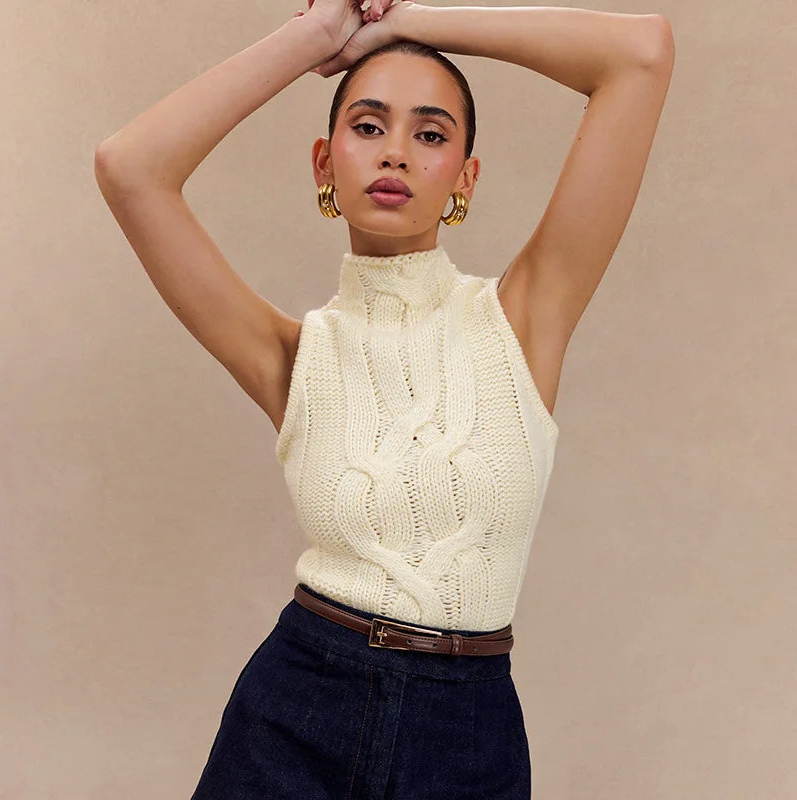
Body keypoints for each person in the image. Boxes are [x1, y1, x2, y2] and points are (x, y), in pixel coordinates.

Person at [94, 0, 674, 796]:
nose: (395, 151)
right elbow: (129, 167)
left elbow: (641, 53)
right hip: (294, 715)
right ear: (323, 164)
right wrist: (315, 36)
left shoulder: (524, 320)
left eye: (430, 135)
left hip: (469, 738)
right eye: (368, 126)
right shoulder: (291, 355)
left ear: (465, 178)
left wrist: (408, 20)